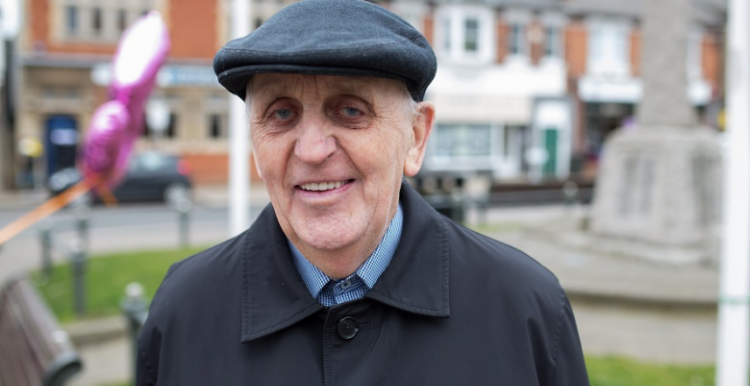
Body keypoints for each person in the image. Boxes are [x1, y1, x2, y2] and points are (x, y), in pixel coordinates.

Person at [136, 0, 589, 384]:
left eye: (350, 110)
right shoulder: (184, 312)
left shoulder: (526, 310)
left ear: (415, 137)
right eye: (281, 114)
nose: (312, 151)